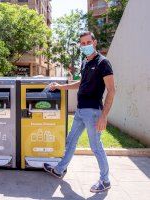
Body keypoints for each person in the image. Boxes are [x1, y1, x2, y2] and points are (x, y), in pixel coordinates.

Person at [43, 31, 115, 193]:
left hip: (93, 112)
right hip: (80, 110)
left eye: (88, 42)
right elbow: (81, 83)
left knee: (96, 146)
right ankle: (60, 169)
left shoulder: (103, 63)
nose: (85, 46)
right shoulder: (84, 63)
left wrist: (104, 116)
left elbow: (111, 90)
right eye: (82, 43)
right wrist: (61, 87)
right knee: (71, 140)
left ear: (94, 42)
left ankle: (105, 180)